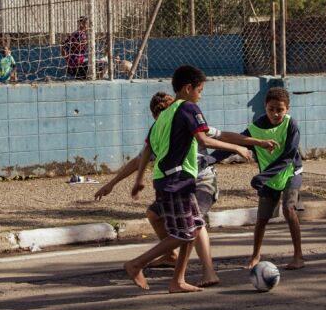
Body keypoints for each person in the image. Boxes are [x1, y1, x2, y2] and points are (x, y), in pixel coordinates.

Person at [95, 91, 278, 287]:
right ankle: (171, 257)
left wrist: (255, 143)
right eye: (160, 114)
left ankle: (208, 271)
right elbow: (140, 159)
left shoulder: (187, 121)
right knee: (155, 214)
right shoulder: (160, 129)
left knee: (194, 221)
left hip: (203, 181)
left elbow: (223, 135)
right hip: (177, 184)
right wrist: (112, 183)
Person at [124, 65, 253, 293]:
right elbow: (204, 140)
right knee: (183, 233)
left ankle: (178, 280)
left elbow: (146, 150)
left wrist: (139, 179)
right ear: (188, 88)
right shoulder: (188, 108)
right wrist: (237, 147)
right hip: (176, 181)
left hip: (173, 180)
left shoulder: (163, 117)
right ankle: (136, 264)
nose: (200, 95)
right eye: (200, 90)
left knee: (193, 227)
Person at [213, 87, 305, 270]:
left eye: (280, 109)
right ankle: (255, 256)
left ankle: (298, 256)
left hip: (290, 173)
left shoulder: (291, 126)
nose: (275, 114)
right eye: (271, 109)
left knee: (288, 209)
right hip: (268, 178)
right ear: (265, 107)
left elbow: (288, 157)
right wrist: (210, 159)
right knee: (262, 218)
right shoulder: (257, 128)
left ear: (287, 109)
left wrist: (262, 176)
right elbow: (236, 143)